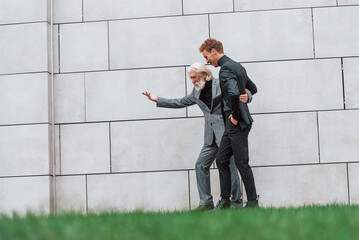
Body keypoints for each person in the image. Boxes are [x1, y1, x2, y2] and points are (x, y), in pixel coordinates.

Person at [142, 62, 256, 210]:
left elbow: (239, 91)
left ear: (204, 74)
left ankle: (236, 201)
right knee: (201, 165)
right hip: (210, 137)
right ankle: (206, 202)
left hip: (226, 133)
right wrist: (158, 99)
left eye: (194, 77)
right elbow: (181, 102)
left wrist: (248, 95)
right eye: (191, 78)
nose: (193, 81)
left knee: (231, 166)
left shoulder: (219, 83)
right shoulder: (196, 91)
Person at [199, 38, 259, 209]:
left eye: (207, 57)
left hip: (236, 122)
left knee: (241, 162)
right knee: (222, 159)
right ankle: (225, 200)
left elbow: (233, 93)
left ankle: (253, 202)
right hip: (235, 123)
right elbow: (252, 88)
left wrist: (234, 115)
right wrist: (247, 95)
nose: (207, 61)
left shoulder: (225, 70)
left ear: (214, 51)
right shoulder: (237, 66)